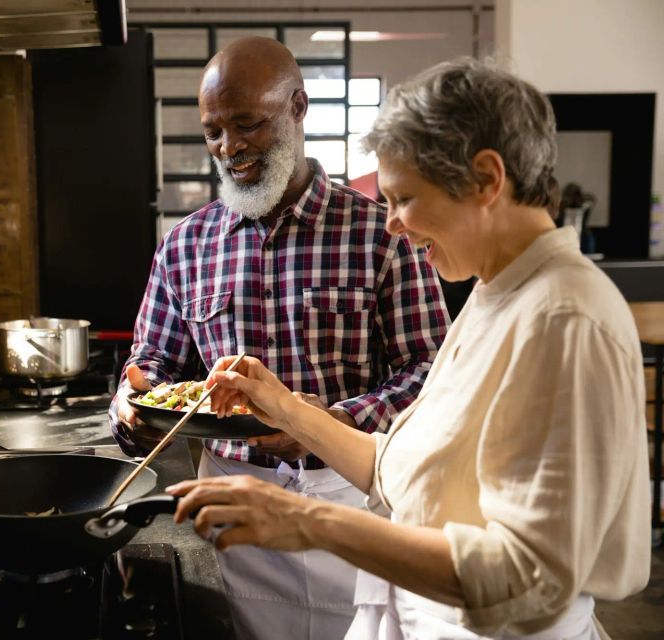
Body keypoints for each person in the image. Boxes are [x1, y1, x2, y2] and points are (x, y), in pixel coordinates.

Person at [169, 57, 651, 639]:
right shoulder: (498, 288)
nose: (392, 224)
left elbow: (530, 581)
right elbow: (398, 474)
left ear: (486, 180)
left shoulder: (565, 319)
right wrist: (284, 406)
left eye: (404, 199)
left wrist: (308, 519)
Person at [109, 37, 450, 639]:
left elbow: (433, 373)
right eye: (213, 131)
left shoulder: (382, 233)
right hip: (234, 503)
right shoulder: (185, 245)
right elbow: (153, 362)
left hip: (350, 496)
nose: (228, 147)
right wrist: (130, 403)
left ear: (297, 107)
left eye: (247, 124)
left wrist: (332, 420)